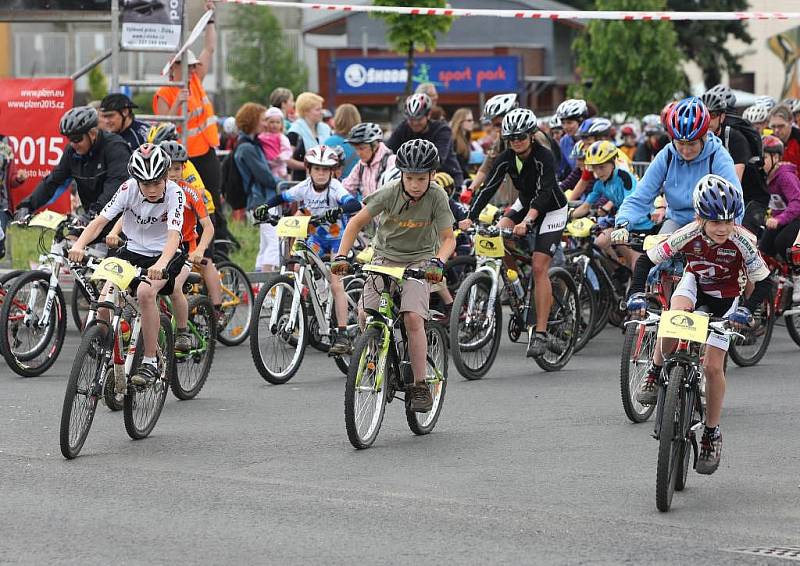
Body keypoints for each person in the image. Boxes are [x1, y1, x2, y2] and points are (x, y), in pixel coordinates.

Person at [626, 175, 771, 475]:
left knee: (712, 367)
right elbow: (644, 261)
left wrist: (746, 310)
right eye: (714, 221)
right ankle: (654, 370)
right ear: (698, 218)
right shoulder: (687, 233)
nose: (722, 227)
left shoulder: (743, 240)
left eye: (728, 221)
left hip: (727, 298)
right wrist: (637, 293)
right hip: (694, 285)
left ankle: (711, 433)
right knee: (672, 317)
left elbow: (765, 283)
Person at [330, 139, 456, 413]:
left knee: (412, 318)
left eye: (421, 178)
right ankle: (375, 356)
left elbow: (448, 239)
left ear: (432, 175)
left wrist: (438, 262)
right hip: (385, 256)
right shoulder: (388, 192)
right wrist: (341, 255)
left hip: (420, 259)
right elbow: (355, 223)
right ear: (401, 174)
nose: (414, 184)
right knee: (365, 313)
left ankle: (420, 385)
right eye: (409, 178)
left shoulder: (437, 197)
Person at [68, 143, 186, 387]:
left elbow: (174, 235)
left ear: (165, 177)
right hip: (132, 250)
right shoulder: (127, 189)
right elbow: (100, 221)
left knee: (144, 293)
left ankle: (150, 361)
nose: (151, 189)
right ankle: (114, 353)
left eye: (156, 183)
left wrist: (161, 264)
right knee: (104, 302)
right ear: (136, 180)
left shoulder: (175, 193)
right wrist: (79, 245)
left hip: (164, 253)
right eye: (145, 184)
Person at [458, 108, 568, 358]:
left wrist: (528, 220)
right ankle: (515, 282)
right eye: (511, 137)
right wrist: (469, 217)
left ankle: (540, 333)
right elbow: (489, 187)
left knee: (540, 267)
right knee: (495, 234)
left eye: (521, 136)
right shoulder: (506, 157)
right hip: (525, 203)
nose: (516, 141)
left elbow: (544, 193)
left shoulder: (544, 156)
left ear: (531, 135)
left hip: (551, 208)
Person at [252, 145, 362, 354]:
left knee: (336, 283)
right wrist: (264, 207)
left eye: (326, 169)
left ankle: (342, 334)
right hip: (317, 238)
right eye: (316, 169)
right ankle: (313, 297)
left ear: (332, 172)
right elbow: (282, 198)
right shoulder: (304, 186)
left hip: (339, 239)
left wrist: (338, 210)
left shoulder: (335, 188)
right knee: (297, 262)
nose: (321, 173)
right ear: (308, 169)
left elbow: (353, 204)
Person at [612, 96, 743, 240]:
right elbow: (641, 196)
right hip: (676, 222)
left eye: (692, 144)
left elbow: (736, 202)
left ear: (704, 137)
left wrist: (727, 233)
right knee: (653, 260)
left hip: (709, 224)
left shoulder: (719, 157)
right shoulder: (667, 155)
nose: (686, 151)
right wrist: (623, 223)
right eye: (680, 143)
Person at [153, 6, 222, 222]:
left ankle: (218, 239)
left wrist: (210, 18)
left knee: (212, 196)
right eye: (188, 66)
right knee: (185, 199)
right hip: (184, 157)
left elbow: (209, 49)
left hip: (206, 150)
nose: (193, 70)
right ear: (175, 67)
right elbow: (164, 125)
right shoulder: (164, 93)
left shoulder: (194, 80)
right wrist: (178, 104)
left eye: (193, 66)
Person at [14, 106, 131, 227]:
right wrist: (27, 206)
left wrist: (94, 212)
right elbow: (53, 181)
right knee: (64, 243)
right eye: (70, 139)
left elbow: (115, 186)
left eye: (77, 139)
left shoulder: (115, 147)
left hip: (121, 221)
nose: (73, 144)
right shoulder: (72, 151)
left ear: (92, 133)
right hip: (93, 218)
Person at [159, 140, 225, 323]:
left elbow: (208, 227)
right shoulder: (153, 189)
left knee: (177, 284)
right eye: (168, 169)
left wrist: (200, 250)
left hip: (189, 243)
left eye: (177, 169)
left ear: (183, 168)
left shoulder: (190, 191)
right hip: (164, 246)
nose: (173, 174)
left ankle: (214, 311)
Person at [571, 140, 652, 269]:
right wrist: (569, 216)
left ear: (612, 163)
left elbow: (630, 204)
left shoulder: (624, 176)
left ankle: (631, 271)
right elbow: (586, 206)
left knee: (636, 266)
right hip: (622, 224)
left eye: (602, 167)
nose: (598, 172)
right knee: (600, 242)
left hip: (642, 223)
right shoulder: (600, 184)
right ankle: (619, 270)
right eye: (595, 167)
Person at [701, 87, 769, 233]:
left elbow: (734, 181)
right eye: (704, 115)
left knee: (742, 236)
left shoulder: (734, 138)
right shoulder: (701, 140)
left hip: (751, 197)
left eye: (712, 115)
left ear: (722, 117)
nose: (708, 120)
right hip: (719, 198)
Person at [232, 103, 278, 272]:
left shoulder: (249, 144)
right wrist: (282, 183)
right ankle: (268, 288)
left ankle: (259, 286)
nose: (266, 124)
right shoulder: (248, 148)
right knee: (274, 243)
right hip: (262, 200)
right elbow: (265, 176)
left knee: (265, 244)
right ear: (253, 120)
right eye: (263, 119)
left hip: (258, 200)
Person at [386, 93, 464, 187]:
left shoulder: (442, 130)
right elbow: (388, 151)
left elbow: (438, 159)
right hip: (415, 180)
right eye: (411, 119)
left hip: (447, 178)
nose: (414, 123)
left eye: (419, 119)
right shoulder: (403, 128)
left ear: (428, 115)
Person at [759, 134, 800, 302]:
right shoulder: (764, 175)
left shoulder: (785, 176)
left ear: (775, 157)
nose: (760, 163)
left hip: (796, 217)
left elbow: (797, 202)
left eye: (764, 158)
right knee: (763, 249)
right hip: (782, 218)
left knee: (783, 242)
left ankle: (797, 277)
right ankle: (771, 279)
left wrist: (779, 219)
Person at [464, 93, 519, 202]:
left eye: (498, 125)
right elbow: (486, 167)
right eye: (492, 125)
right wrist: (470, 190)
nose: (495, 129)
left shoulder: (535, 137)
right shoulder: (501, 140)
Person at [342, 122, 396, 200]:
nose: (358, 153)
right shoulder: (361, 165)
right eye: (356, 149)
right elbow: (347, 188)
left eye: (362, 148)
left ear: (375, 146)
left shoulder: (391, 162)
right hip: (367, 210)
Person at [286, 92, 332, 182]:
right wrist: (311, 166)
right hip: (301, 182)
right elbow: (288, 160)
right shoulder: (295, 131)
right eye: (318, 109)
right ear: (305, 111)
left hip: (325, 181)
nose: (322, 112)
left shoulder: (326, 128)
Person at [0, 136, 26, 257]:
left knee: (0, 249)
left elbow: (10, 180)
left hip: (2, 205)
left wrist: (18, 178)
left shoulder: (6, 142)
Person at [323, 104, 362, 178]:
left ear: (337, 119)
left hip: (336, 186)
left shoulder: (329, 142)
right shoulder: (363, 145)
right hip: (357, 187)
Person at [556, 98, 589, 178]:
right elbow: (561, 169)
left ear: (581, 121)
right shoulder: (564, 141)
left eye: (569, 123)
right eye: (563, 123)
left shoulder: (592, 140)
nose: (565, 127)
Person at [257, 107, 292, 180]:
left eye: (277, 122)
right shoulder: (260, 136)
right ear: (266, 123)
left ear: (282, 124)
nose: (275, 125)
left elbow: (287, 150)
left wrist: (281, 157)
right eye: (272, 122)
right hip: (266, 165)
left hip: (279, 166)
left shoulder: (282, 137)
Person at [767, 104, 800, 178]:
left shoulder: (798, 139)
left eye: (781, 126)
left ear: (791, 122)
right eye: (773, 126)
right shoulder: (768, 142)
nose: (776, 130)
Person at [449, 107, 476, 182]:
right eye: (469, 120)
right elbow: (457, 166)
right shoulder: (453, 140)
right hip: (456, 180)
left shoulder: (466, 139)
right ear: (460, 122)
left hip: (462, 178)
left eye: (472, 120)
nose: (472, 122)